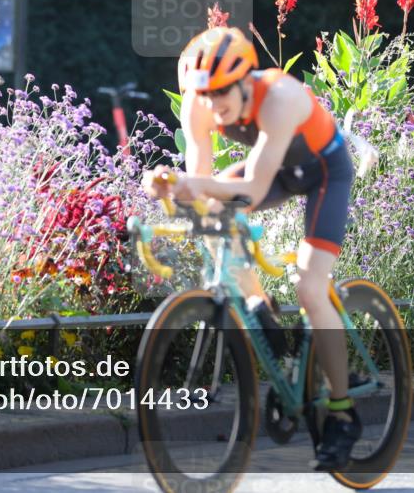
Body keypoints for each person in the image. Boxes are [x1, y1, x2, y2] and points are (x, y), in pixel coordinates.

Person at [142, 26, 362, 470]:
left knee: (309, 285)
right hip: (277, 166)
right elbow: (205, 193)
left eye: (222, 90)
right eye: (202, 93)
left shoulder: (280, 98)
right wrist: (172, 186)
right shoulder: (198, 104)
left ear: (245, 79)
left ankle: (342, 412)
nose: (212, 102)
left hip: (323, 172)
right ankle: (262, 313)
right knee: (215, 219)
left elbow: (253, 186)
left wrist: (192, 186)